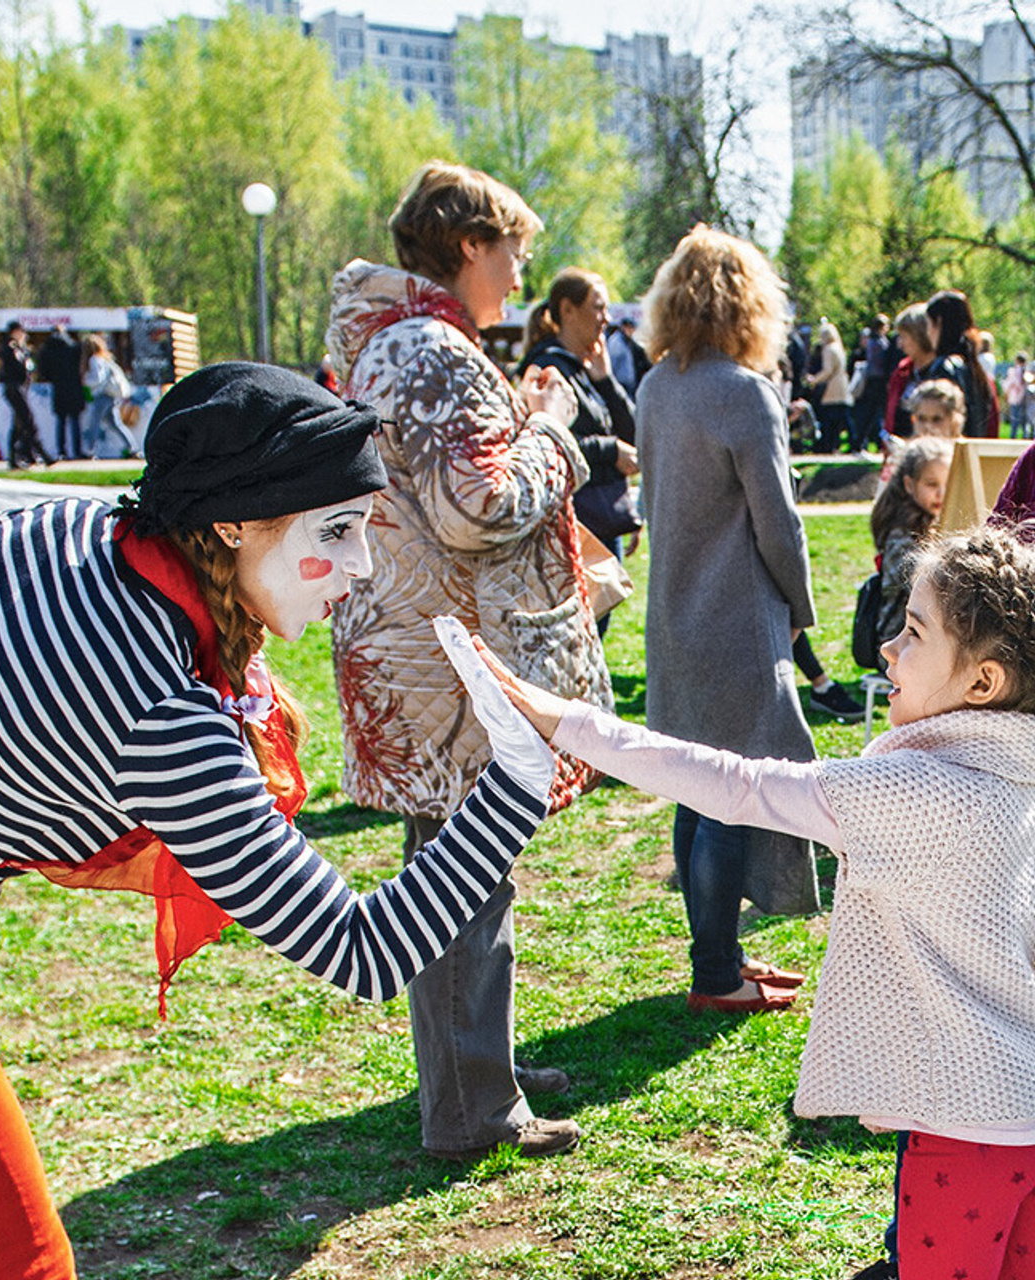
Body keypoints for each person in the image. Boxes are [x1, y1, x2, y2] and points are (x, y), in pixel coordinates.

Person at [0, 361, 554, 1279]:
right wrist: (512, 788)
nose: (360, 567)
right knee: (14, 1267)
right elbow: (362, 952)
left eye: (364, 529)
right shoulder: (163, 717)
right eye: (335, 532)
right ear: (228, 527)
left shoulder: (63, 525)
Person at [480, 522, 1035, 1280]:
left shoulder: (918, 791)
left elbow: (736, 786)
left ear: (982, 682)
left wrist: (569, 725)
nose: (888, 651)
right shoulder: (1020, 770)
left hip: (964, 1124)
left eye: (912, 632)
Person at [326, 160, 613, 1161]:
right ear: (466, 246)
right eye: (512, 250)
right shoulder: (431, 351)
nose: (519, 269)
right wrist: (549, 428)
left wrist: (515, 410)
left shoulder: (402, 343)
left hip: (422, 649)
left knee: (462, 874)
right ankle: (471, 1106)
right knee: (462, 881)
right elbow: (480, 505)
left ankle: (477, 1066)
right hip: (448, 663)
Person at [636, 224, 818, 1014]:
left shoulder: (654, 387)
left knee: (695, 791)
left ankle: (721, 956)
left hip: (674, 616)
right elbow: (779, 524)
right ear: (750, 306)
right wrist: (801, 612)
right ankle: (716, 974)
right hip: (736, 619)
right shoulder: (745, 394)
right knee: (730, 794)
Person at [517, 267, 641, 569]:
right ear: (567, 310)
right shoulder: (546, 369)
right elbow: (543, 441)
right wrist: (610, 449)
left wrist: (605, 380)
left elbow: (635, 432)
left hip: (601, 520)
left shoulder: (587, 371)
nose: (606, 318)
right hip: (573, 527)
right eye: (597, 307)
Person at [870, 436, 953, 654]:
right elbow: (925, 584)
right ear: (909, 484)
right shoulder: (901, 535)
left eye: (948, 484)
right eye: (931, 484)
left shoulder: (942, 523)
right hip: (898, 642)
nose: (940, 494)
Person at [924, 289, 1000, 438]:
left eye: (928, 324)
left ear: (938, 322)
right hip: (973, 455)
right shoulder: (976, 369)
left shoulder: (944, 368)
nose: (927, 333)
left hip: (949, 456)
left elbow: (937, 427)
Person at [0, 321, 52, 469]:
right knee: (28, 422)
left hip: (20, 389)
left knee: (19, 425)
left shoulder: (18, 348)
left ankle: (18, 457)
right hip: (15, 388)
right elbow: (19, 367)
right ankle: (42, 454)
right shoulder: (11, 347)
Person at [883, 304, 936, 441]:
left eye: (903, 337)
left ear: (920, 335)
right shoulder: (902, 372)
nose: (899, 344)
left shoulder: (942, 372)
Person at [38, 325, 86, 459]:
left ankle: (61, 451)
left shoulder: (47, 350)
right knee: (75, 421)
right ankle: (77, 451)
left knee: (61, 421)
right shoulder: (74, 348)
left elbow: (43, 371)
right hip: (74, 386)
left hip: (58, 387)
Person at [806, 321, 855, 453]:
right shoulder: (839, 347)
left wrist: (814, 379)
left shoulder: (828, 349)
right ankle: (852, 443)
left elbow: (827, 370)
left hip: (832, 386)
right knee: (843, 416)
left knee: (828, 418)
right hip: (842, 383)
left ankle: (827, 446)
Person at [83, 334, 129, 457]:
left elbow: (98, 379)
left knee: (94, 423)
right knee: (115, 423)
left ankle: (89, 450)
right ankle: (132, 447)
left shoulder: (94, 360)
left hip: (102, 395)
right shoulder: (105, 359)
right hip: (112, 395)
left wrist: (86, 381)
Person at [852, 314, 891, 451]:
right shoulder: (879, 342)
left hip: (873, 380)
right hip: (878, 381)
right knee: (876, 414)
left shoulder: (872, 342)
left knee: (871, 414)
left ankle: (862, 442)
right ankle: (864, 443)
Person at [1004, 351, 1031, 439]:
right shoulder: (1027, 371)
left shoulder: (1013, 371)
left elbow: (1008, 384)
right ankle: (1025, 436)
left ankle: (1014, 436)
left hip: (1016, 398)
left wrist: (1006, 395)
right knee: (1024, 420)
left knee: (1015, 419)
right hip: (1025, 398)